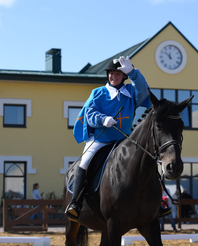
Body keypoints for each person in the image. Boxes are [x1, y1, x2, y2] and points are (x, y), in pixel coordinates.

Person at [65, 56, 171, 222]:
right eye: (111, 73)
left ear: (124, 76)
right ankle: (75, 203)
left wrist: (134, 73)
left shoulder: (130, 93)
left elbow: (144, 91)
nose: (113, 76)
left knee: (147, 159)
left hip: (123, 139)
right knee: (85, 161)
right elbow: (89, 113)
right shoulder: (98, 92)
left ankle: (157, 203)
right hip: (100, 139)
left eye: (117, 74)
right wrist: (102, 119)